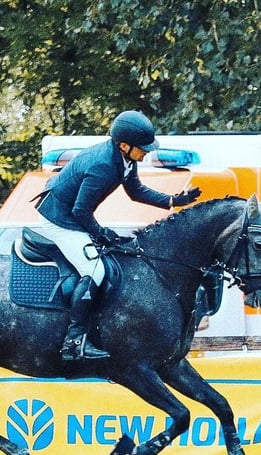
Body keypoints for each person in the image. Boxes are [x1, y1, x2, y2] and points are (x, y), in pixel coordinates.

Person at [33, 110, 202, 361]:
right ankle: (74, 341)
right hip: (58, 218)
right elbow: (80, 211)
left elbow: (136, 191)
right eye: (143, 149)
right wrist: (102, 233)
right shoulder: (102, 165)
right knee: (95, 271)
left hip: (73, 214)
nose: (146, 153)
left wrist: (173, 201)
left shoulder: (125, 159)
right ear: (124, 145)